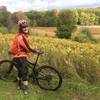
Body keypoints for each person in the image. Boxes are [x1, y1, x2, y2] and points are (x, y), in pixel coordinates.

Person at [8, 20, 38, 95]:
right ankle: (25, 88)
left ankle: (19, 85)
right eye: (24, 27)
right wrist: (36, 51)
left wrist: (34, 50)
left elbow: (25, 47)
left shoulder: (20, 35)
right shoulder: (21, 37)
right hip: (20, 56)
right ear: (21, 28)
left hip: (18, 56)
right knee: (25, 72)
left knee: (20, 71)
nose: (26, 28)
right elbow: (28, 48)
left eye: (26, 27)